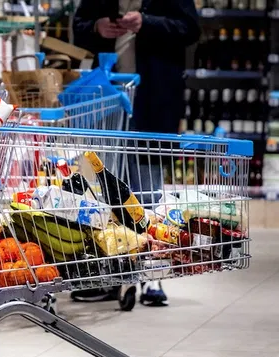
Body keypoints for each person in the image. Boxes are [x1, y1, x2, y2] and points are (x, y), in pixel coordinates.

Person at [72, 0, 200, 306]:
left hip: (153, 96)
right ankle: (109, 272)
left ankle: (151, 273)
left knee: (147, 187)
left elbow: (190, 29)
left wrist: (147, 22)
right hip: (107, 96)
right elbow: (78, 28)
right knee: (102, 187)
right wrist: (97, 28)